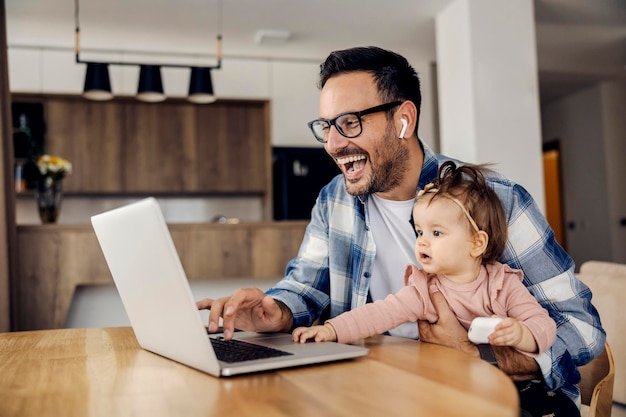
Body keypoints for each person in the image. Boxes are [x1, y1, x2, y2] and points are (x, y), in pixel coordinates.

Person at [197, 46, 605, 415]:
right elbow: (305, 288)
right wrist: (275, 311)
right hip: (376, 387)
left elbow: (581, 329)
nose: (333, 144)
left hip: (496, 398)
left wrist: (478, 355)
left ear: (404, 120)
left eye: (349, 123)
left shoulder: (496, 201)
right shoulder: (334, 199)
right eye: (326, 126)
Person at [291, 161, 557, 360]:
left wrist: (523, 335)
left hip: (496, 387)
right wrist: (331, 330)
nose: (422, 241)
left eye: (437, 232)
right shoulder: (424, 290)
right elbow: (379, 314)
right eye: (419, 231)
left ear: (477, 243)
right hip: (445, 383)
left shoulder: (503, 284)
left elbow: (543, 324)